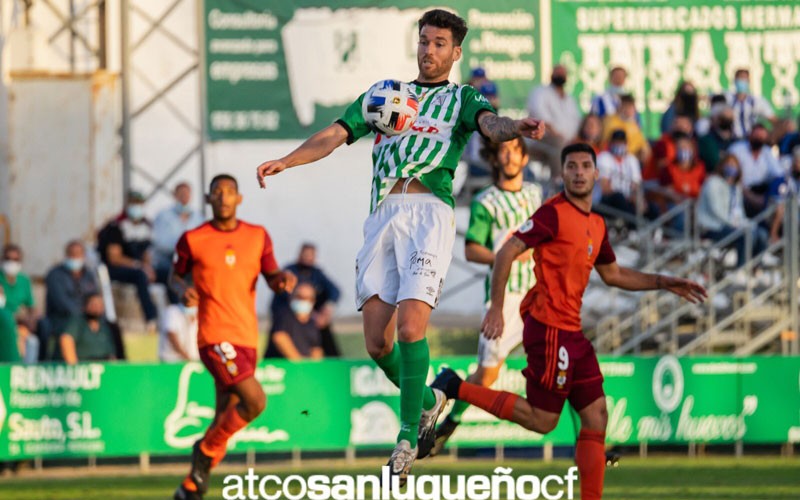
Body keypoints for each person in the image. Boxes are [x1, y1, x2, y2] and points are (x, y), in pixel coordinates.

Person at [255, 8, 545, 481]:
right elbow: (334, 133)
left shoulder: (461, 98)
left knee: (412, 330)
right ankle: (430, 400)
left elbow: (491, 125)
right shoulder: (386, 94)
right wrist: (287, 161)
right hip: (382, 217)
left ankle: (408, 437)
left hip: (430, 214)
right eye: (424, 41)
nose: (429, 51)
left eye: (439, 44)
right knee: (376, 342)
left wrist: (515, 126)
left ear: (455, 52)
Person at [431, 143, 707, 500]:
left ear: (596, 173)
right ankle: (455, 386)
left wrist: (664, 281)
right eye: (572, 166)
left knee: (597, 417)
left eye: (585, 166)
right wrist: (497, 309)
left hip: (572, 332)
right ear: (563, 174)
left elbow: (614, 274)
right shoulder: (552, 213)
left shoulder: (596, 223)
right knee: (542, 420)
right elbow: (506, 252)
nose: (578, 172)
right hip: (547, 328)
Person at [171, 174, 295, 500]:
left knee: (223, 418)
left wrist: (282, 280)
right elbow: (175, 277)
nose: (224, 197)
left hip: (247, 338)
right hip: (214, 336)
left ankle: (191, 486)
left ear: (239, 199)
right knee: (255, 401)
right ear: (209, 199)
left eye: (229, 192)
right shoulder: (192, 239)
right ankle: (203, 451)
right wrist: (183, 291)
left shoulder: (257, 236)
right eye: (217, 192)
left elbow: (272, 276)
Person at [431, 136, 542, 454]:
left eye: (515, 151)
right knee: (487, 376)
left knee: (567, 365)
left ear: (524, 158)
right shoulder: (486, 200)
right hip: (503, 298)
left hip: (539, 294)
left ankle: (590, 443)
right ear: (496, 158)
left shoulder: (536, 194)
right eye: (503, 151)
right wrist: (506, 256)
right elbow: (472, 250)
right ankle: (452, 420)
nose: (509, 156)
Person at [97, 190, 158, 330]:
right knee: (140, 276)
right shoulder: (116, 226)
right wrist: (140, 266)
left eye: (139, 204)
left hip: (139, 268)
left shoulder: (146, 226)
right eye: (133, 203)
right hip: (115, 269)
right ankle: (151, 318)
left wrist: (148, 268)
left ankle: (178, 316)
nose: (136, 207)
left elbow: (146, 253)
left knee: (167, 273)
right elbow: (114, 258)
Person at [274, 243, 341, 357]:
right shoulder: (289, 271)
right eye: (306, 255)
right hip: (289, 316)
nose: (308, 258)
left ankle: (335, 361)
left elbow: (335, 291)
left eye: (311, 255)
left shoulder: (316, 273)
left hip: (310, 318)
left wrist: (326, 308)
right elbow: (282, 294)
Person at [697, 155, 764, 268]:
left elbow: (739, 211)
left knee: (761, 234)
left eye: (734, 165)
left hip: (733, 226)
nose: (731, 167)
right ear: (722, 166)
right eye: (729, 164)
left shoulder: (736, 187)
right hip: (713, 227)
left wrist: (745, 223)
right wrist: (736, 225)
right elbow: (717, 211)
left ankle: (756, 269)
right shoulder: (713, 182)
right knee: (745, 235)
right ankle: (741, 269)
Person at [44, 240, 100, 359]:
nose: (75, 258)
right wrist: (83, 315)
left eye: (78, 254)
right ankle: (73, 365)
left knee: (110, 327)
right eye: (72, 254)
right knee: (71, 330)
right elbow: (61, 303)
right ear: (66, 255)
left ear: (83, 255)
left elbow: (95, 298)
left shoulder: (89, 274)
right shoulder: (55, 275)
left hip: (86, 318)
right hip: (61, 318)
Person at [152, 182, 205, 302]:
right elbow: (159, 242)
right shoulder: (163, 216)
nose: (184, 197)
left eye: (186, 194)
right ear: (175, 195)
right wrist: (182, 248)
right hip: (168, 261)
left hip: (192, 262)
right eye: (181, 194)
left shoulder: (198, 218)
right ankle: (178, 307)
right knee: (175, 277)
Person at [527, 65, 582, 175]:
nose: (560, 75)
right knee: (559, 144)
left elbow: (577, 121)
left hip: (567, 140)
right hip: (543, 138)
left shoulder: (570, 99)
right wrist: (558, 135)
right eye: (558, 73)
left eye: (563, 73)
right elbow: (540, 117)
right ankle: (559, 181)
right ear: (551, 74)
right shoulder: (540, 92)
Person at [728, 124, 783, 217]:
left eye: (762, 136)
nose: (759, 138)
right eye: (756, 135)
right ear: (750, 135)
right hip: (740, 191)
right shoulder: (737, 149)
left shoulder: (767, 152)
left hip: (762, 191)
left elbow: (779, 173)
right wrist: (746, 192)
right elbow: (730, 173)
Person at [265, 283, 324, 360]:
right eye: (299, 297)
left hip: (304, 368)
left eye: (307, 298)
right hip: (282, 367)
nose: (303, 300)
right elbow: (280, 337)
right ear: (292, 297)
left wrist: (314, 367)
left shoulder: (312, 323)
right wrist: (299, 362)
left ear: (313, 301)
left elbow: (316, 348)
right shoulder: (284, 315)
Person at [1, 243, 39, 362]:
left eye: (15, 259)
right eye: (8, 259)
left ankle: (26, 374)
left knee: (32, 342)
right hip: (4, 324)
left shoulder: (24, 280)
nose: (11, 263)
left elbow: (31, 307)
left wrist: (29, 321)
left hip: (20, 324)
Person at [596, 130, 644, 219]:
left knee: (650, 207)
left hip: (626, 201)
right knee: (619, 197)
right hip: (605, 201)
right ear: (610, 143)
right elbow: (605, 188)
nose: (619, 144)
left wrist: (637, 200)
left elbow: (636, 186)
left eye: (621, 142)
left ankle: (653, 230)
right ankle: (634, 226)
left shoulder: (631, 160)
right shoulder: (603, 157)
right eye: (616, 142)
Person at [59, 293, 116, 364]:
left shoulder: (105, 326)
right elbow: (66, 339)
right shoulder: (77, 322)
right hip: (84, 366)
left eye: (100, 304)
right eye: (93, 304)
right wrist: (74, 366)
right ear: (85, 306)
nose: (97, 307)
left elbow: (111, 353)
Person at [726, 68, 776, 140]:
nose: (742, 82)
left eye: (744, 79)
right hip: (732, 140)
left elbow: (772, 118)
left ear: (748, 81)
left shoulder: (756, 101)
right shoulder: (728, 98)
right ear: (735, 80)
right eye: (740, 78)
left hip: (751, 141)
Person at [602, 94, 650, 164]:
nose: (628, 110)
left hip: (633, 159)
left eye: (631, 107)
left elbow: (644, 145)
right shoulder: (610, 121)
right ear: (619, 107)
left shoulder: (634, 124)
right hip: (613, 158)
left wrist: (644, 152)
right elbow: (605, 143)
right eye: (625, 106)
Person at [767, 146, 800, 243]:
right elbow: (776, 199)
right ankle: (772, 237)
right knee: (780, 208)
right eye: (798, 161)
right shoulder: (783, 178)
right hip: (781, 212)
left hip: (796, 213)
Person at [698, 99, 736, 173]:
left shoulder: (736, 141)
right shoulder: (706, 141)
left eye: (730, 118)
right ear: (715, 119)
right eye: (724, 117)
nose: (727, 120)